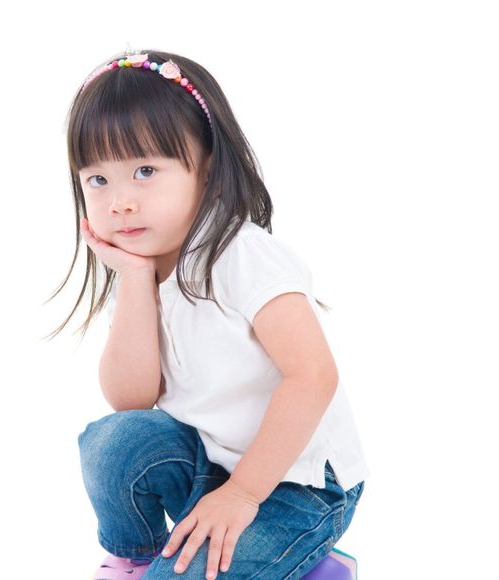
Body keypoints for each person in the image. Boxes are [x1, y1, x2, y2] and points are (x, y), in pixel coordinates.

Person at [54, 48, 370, 579]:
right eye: (98, 180)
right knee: (113, 442)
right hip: (214, 464)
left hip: (298, 485)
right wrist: (134, 279)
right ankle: (137, 561)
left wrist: (243, 494)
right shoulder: (141, 269)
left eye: (145, 171)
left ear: (207, 171)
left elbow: (313, 375)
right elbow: (131, 401)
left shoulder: (242, 255)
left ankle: (314, 563)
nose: (120, 202)